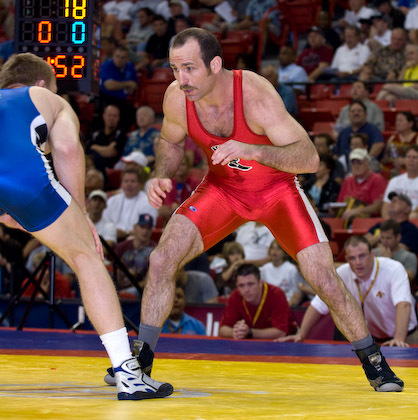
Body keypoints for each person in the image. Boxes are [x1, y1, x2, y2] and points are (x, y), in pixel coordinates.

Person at [129, 28, 404, 392]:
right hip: (223, 190)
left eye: (190, 68)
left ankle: (375, 363)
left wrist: (253, 150)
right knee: (161, 259)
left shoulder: (255, 95)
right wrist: (162, 174)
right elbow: (170, 140)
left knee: (323, 277)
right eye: (175, 69)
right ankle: (139, 364)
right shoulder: (177, 97)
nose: (182, 79)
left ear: (215, 64)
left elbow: (309, 158)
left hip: (276, 192)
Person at [0, 52, 172, 400]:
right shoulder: (46, 97)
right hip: (22, 178)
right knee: (86, 256)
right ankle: (128, 373)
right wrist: (80, 213)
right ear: (41, 83)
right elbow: (65, 148)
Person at [279, 236, 418, 347]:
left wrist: (399, 339)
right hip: (374, 339)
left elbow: (403, 304)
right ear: (346, 259)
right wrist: (301, 334)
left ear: (372, 254)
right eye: (352, 258)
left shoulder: (393, 269)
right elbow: (317, 305)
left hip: (406, 335)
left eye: (362, 256)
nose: (357, 262)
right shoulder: (343, 273)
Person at [219, 264, 291, 340]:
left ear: (260, 283)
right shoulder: (235, 295)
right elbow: (222, 329)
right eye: (241, 285)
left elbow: (281, 332)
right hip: (247, 343)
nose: (246, 290)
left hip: (279, 343)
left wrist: (249, 333)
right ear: (237, 285)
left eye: (250, 284)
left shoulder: (276, 294)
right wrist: (236, 332)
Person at [102, 167, 157, 241]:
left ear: (140, 184)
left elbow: (147, 229)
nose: (129, 184)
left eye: (132, 181)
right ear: (121, 184)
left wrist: (126, 233)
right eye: (126, 181)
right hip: (110, 237)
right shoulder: (112, 201)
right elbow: (104, 222)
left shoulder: (148, 201)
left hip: (134, 239)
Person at [337, 148, 387, 221]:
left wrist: (357, 211)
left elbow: (378, 206)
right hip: (346, 219)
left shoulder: (377, 179)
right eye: (353, 163)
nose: (356, 166)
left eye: (359, 162)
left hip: (368, 220)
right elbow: (340, 203)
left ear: (368, 163)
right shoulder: (348, 180)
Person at [114, 213, 156, 297]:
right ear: (135, 228)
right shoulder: (122, 247)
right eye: (142, 227)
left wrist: (127, 291)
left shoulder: (155, 251)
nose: (145, 231)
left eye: (148, 228)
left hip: (141, 291)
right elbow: (114, 269)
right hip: (119, 285)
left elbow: (151, 280)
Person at [85, 104, 127, 176]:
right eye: (109, 115)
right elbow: (87, 151)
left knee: (94, 155)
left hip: (108, 167)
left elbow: (110, 152)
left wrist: (95, 147)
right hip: (92, 166)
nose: (112, 118)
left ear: (118, 118)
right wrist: (106, 148)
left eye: (115, 116)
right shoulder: (96, 134)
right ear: (104, 116)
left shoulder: (121, 134)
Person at [260, 240, 304, 307]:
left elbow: (297, 294)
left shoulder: (292, 269)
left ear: (285, 252)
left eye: (278, 249)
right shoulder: (264, 269)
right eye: (272, 248)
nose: (274, 251)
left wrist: (285, 308)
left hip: (287, 304)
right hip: (268, 306)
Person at [381, 145, 418, 218]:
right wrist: (387, 219)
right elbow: (386, 205)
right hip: (394, 221)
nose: (411, 160)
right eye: (408, 157)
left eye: (414, 157)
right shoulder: (394, 181)